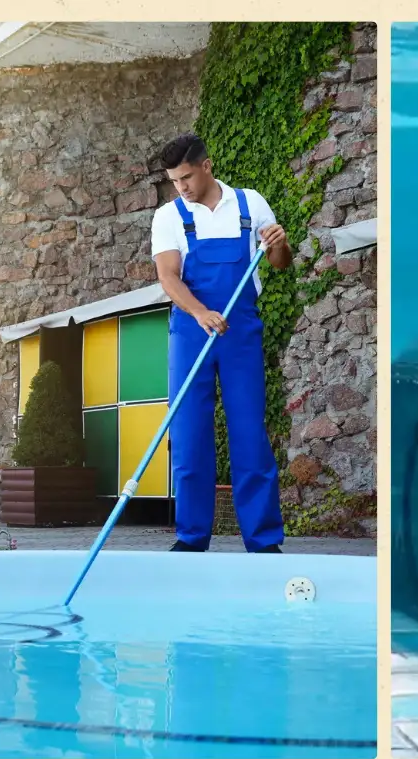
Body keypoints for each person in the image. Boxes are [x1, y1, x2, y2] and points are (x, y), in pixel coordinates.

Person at [151, 132, 291, 553]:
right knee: (190, 433)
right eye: (175, 181)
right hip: (192, 332)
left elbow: (280, 265)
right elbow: (168, 277)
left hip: (240, 330)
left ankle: (264, 540)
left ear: (207, 166)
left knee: (249, 432)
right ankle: (191, 538)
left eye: (187, 177)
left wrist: (279, 246)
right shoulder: (169, 217)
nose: (182, 188)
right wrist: (199, 312)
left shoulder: (250, 204)